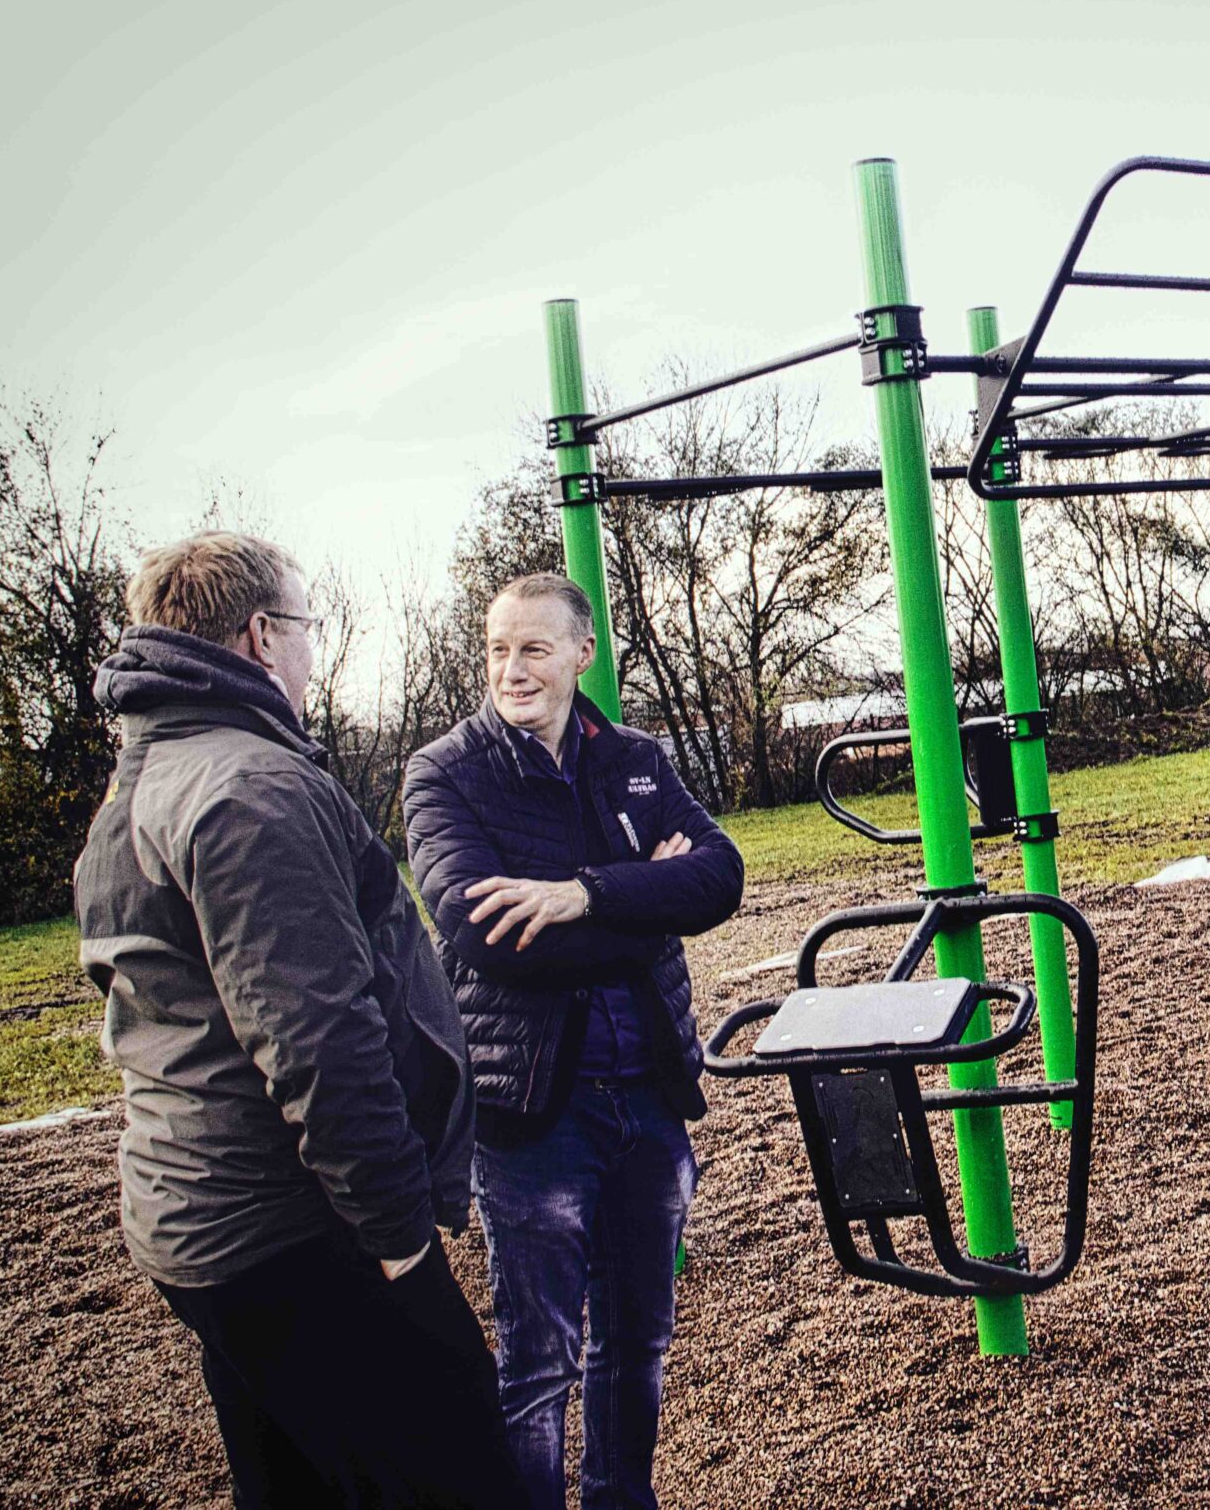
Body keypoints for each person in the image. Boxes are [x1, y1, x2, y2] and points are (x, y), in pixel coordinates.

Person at [74, 531, 523, 1510]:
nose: (313, 652)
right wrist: (400, 1239)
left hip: (198, 1220)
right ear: (261, 636)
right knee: (466, 1477)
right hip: (294, 1230)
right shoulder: (251, 789)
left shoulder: (145, 778)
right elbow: (316, 1042)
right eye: (307, 628)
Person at [403, 571, 743, 1510]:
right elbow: (485, 935)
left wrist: (581, 893)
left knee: (637, 1342)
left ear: (581, 653)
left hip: (650, 1095)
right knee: (538, 1361)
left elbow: (720, 878)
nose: (511, 669)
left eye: (533, 648)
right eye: (498, 649)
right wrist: (645, 894)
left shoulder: (634, 758)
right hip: (531, 1114)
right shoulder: (445, 771)